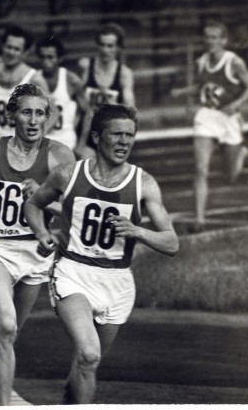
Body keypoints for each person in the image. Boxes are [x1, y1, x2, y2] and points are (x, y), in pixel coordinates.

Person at [23, 104, 179, 404]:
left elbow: (172, 243)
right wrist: (42, 234)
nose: (124, 142)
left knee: (86, 365)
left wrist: (138, 232)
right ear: (96, 137)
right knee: (89, 353)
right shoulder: (67, 174)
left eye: (130, 135)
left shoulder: (143, 183)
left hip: (118, 282)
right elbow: (33, 203)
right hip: (73, 273)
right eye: (116, 134)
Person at [0, 84, 75, 406]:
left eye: (40, 113)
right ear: (11, 115)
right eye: (26, 112)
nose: (33, 120)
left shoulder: (58, 156)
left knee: (10, 330)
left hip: (35, 254)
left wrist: (42, 195)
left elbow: (73, 208)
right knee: (7, 323)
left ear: (49, 119)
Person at [170, 21, 248, 231]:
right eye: (207, 37)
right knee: (200, 169)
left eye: (215, 37)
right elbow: (202, 86)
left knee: (230, 176)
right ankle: (200, 219)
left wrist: (236, 104)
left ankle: (241, 154)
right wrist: (182, 92)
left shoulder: (234, 62)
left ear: (224, 40)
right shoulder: (201, 61)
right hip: (207, 116)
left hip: (228, 119)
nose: (210, 41)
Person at [77, 23, 135, 157]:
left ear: (118, 48)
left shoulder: (124, 74)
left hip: (112, 133)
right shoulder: (87, 67)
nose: (105, 50)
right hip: (87, 132)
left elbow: (130, 108)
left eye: (110, 46)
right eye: (102, 45)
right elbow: (77, 99)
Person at [0, 25, 51, 138]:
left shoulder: (34, 78)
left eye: (16, 49)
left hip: (20, 139)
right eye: (8, 47)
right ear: (2, 47)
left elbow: (52, 112)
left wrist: (36, 136)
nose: (11, 52)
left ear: (25, 52)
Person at [35, 35, 92, 156]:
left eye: (50, 57)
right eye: (42, 57)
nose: (46, 62)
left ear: (60, 58)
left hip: (65, 142)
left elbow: (88, 112)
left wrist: (81, 145)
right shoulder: (34, 79)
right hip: (41, 143)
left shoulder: (71, 80)